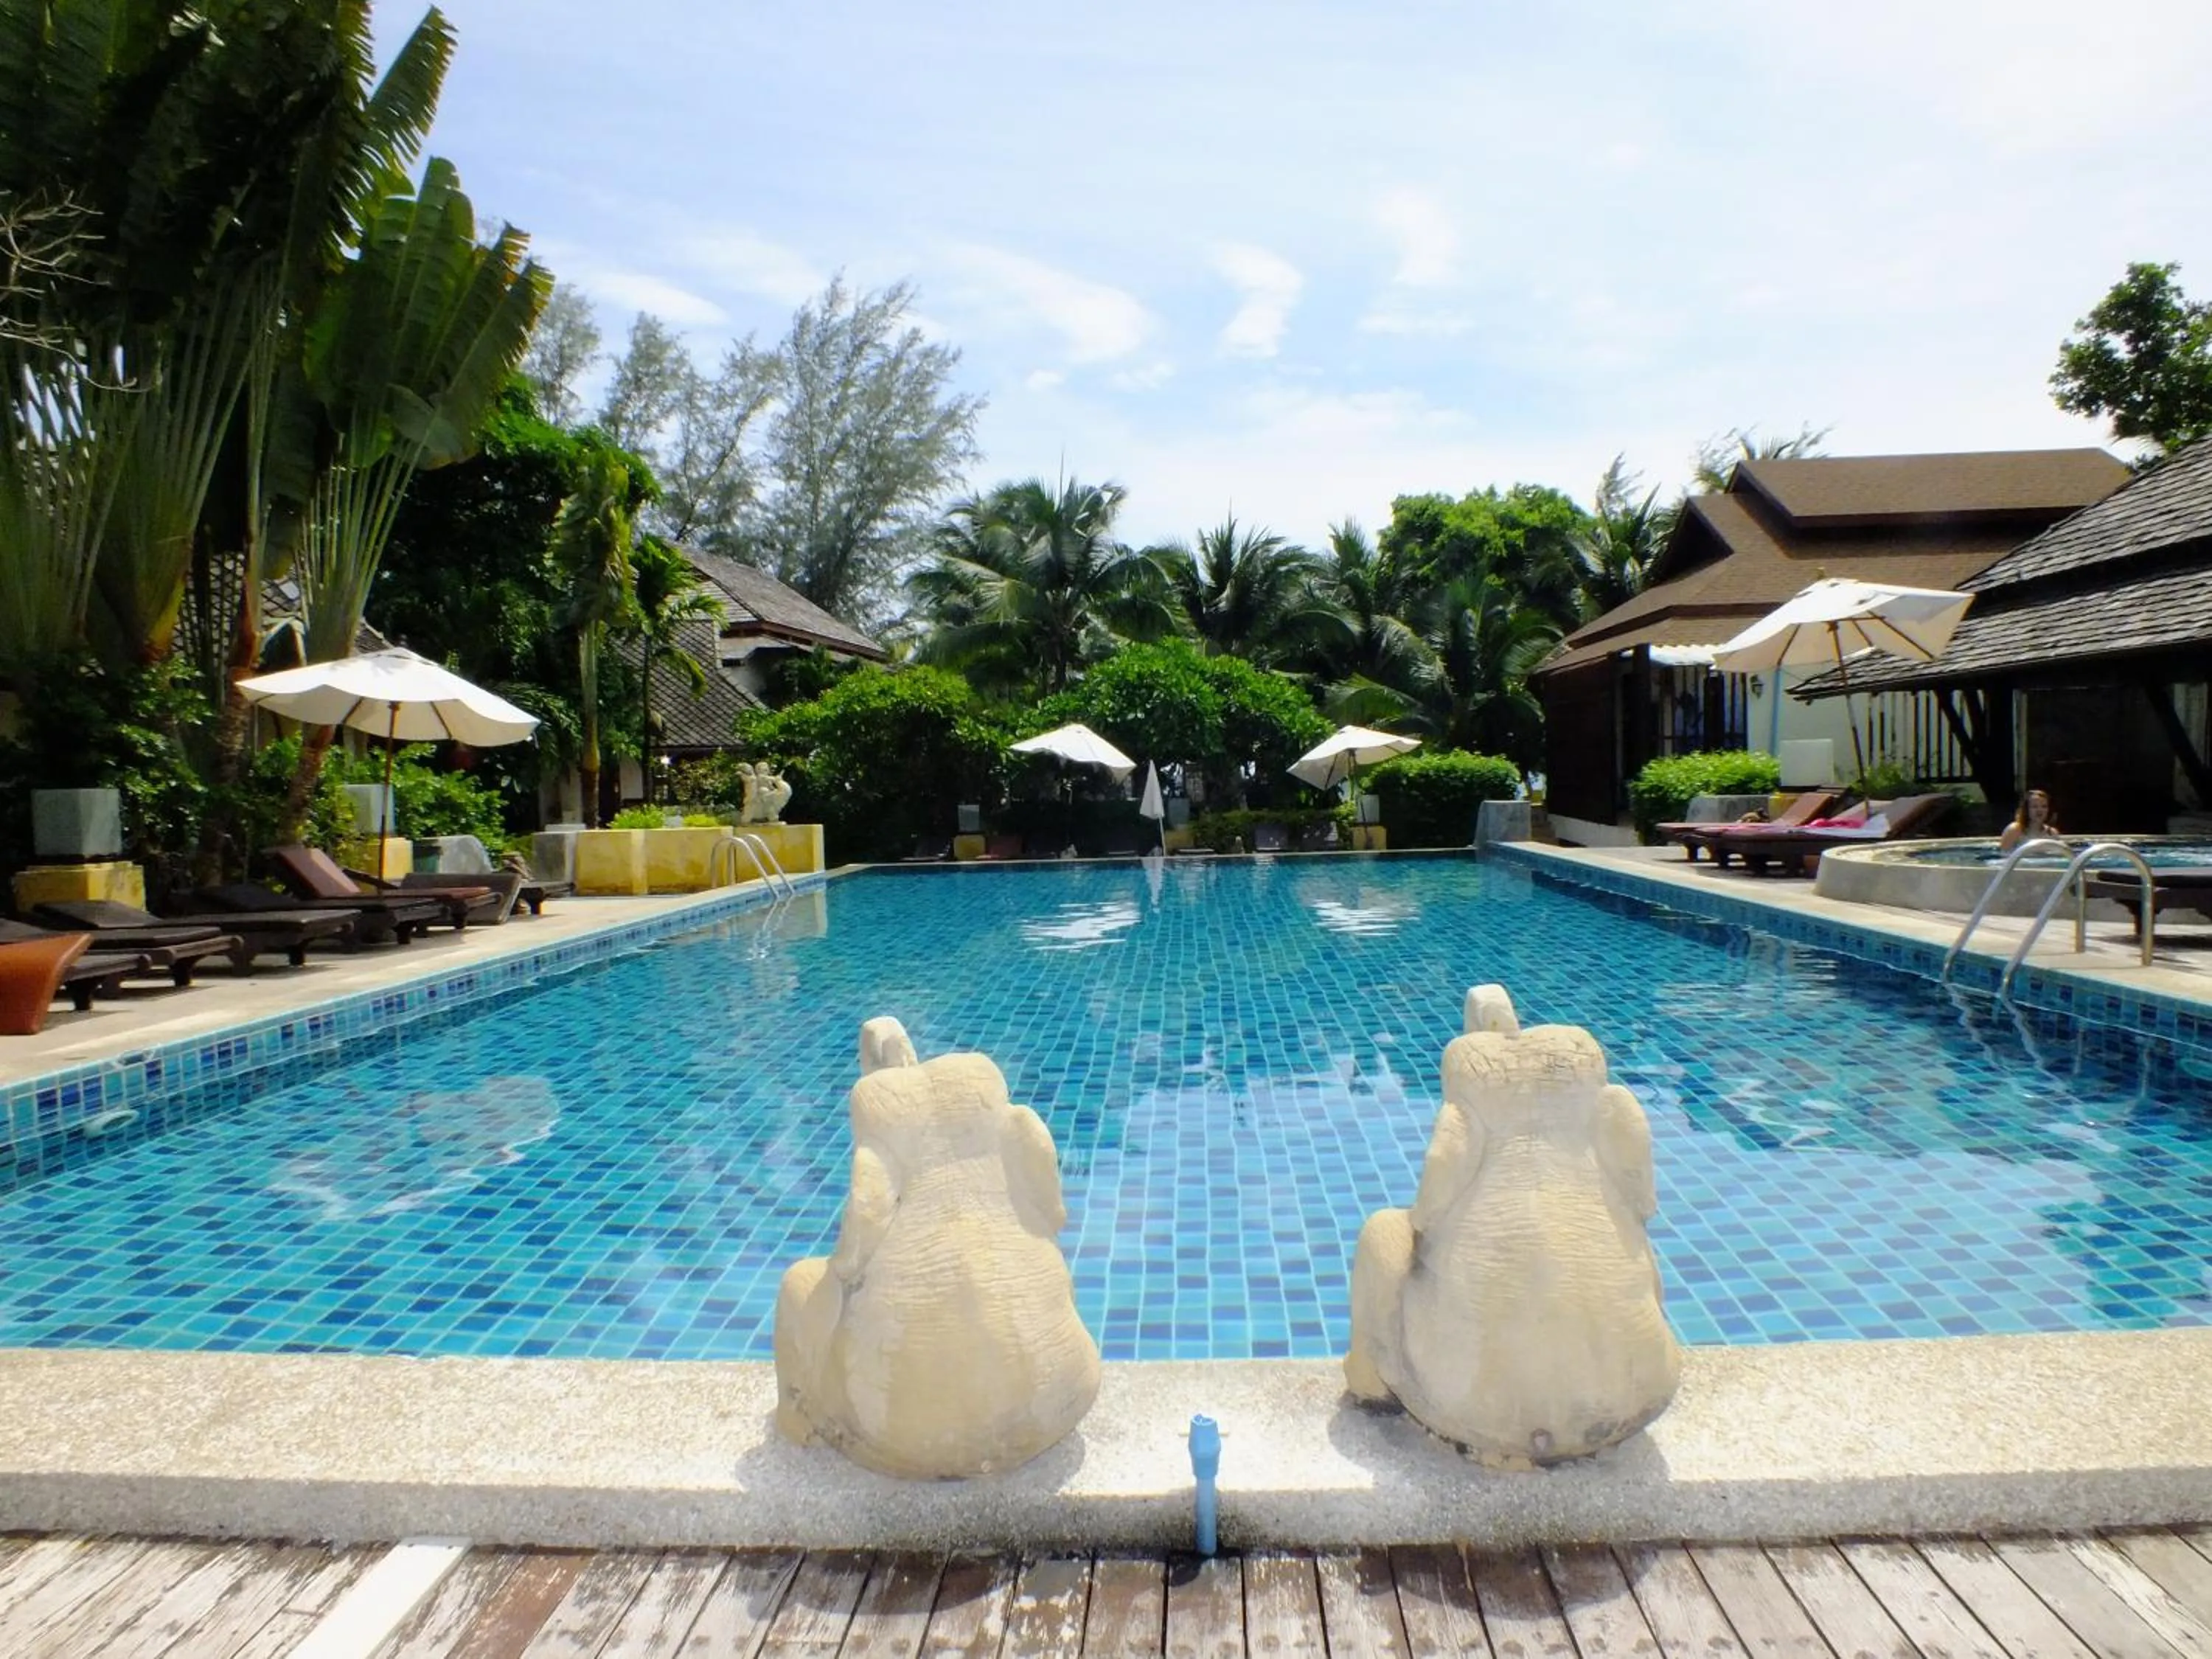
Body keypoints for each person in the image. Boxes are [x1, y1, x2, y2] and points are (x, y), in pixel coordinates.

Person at [1998, 788, 2059, 852]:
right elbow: (2003, 855)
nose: (2040, 810)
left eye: (2044, 806)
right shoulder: (2014, 830)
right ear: (2026, 810)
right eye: (2035, 806)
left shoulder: (2052, 833)